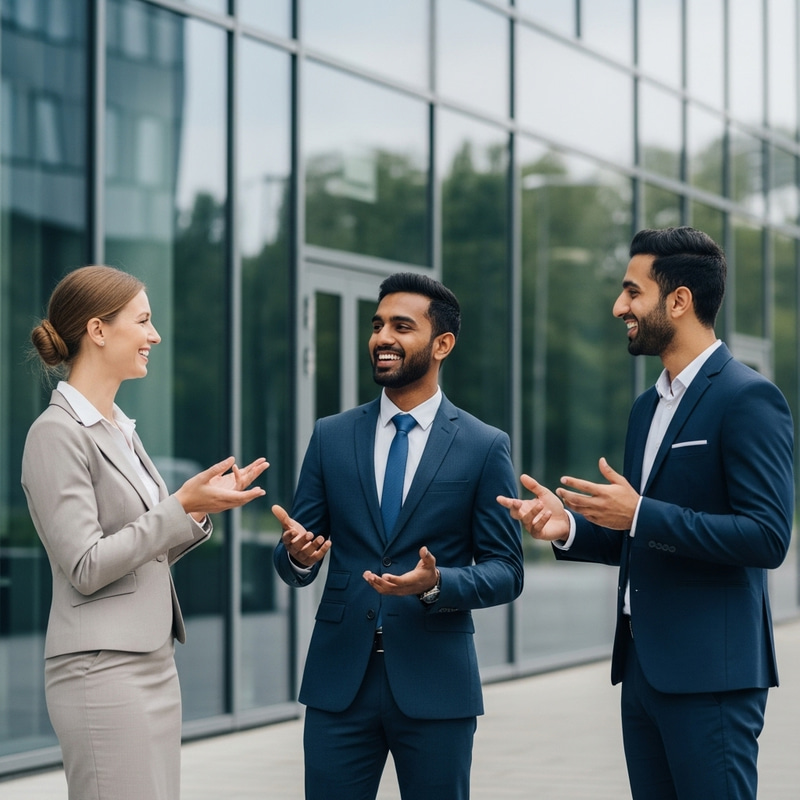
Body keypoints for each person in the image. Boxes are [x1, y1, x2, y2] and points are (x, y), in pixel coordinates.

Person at [498, 226, 794, 800]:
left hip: (712, 679)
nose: (619, 307)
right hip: (642, 673)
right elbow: (640, 533)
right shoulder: (646, 409)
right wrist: (570, 528)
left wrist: (640, 514)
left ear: (679, 300)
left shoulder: (748, 398)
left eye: (633, 292)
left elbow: (766, 536)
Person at [272, 272, 523, 800]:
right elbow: (296, 552)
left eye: (401, 326)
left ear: (442, 344)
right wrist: (298, 557)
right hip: (339, 680)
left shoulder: (483, 446)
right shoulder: (331, 435)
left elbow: (507, 570)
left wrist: (437, 584)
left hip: (437, 682)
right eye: (377, 325)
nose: (382, 337)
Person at [21, 265, 269, 800]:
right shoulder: (55, 434)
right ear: (98, 330)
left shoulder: (120, 429)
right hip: (101, 670)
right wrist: (179, 505)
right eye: (143, 321)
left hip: (152, 661)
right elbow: (86, 565)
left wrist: (197, 511)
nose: (154, 336)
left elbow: (139, 555)